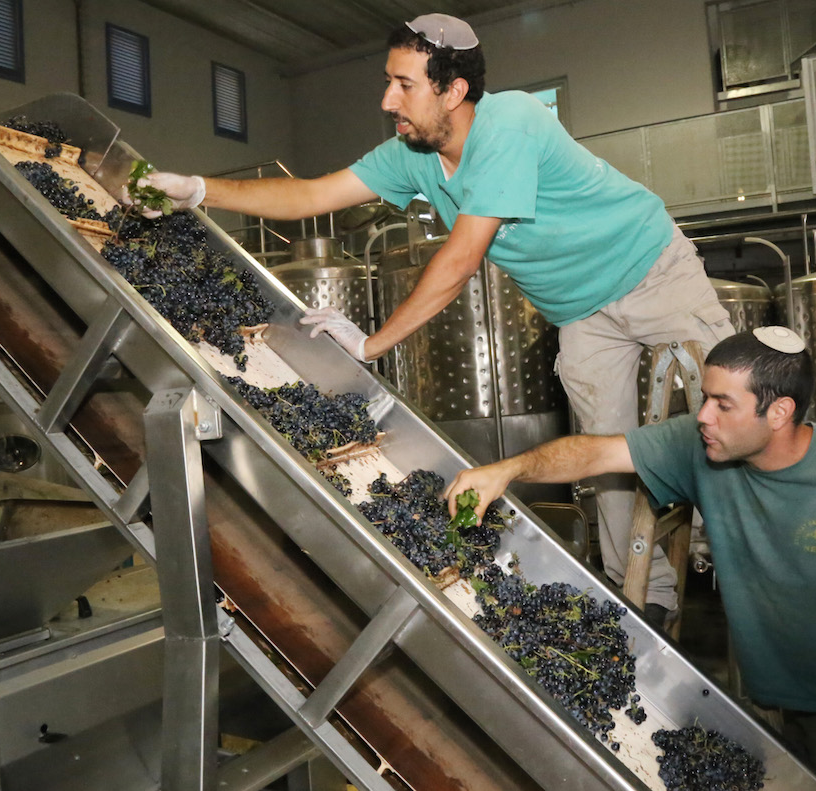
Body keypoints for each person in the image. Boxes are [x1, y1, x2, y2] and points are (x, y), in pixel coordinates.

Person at [133, 12, 733, 619]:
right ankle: (647, 598)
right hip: (579, 312)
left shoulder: (512, 123)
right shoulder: (414, 154)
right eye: (388, 81)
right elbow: (311, 195)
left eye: (405, 84)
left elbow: (461, 259)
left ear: (453, 90)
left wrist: (372, 345)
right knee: (604, 457)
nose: (388, 99)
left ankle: (752, 558)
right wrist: (200, 189)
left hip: (652, 269)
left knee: (738, 415)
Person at [443, 326, 816, 791]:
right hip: (760, 701)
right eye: (704, 400)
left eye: (723, 403)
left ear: (778, 413)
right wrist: (510, 469)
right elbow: (593, 453)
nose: (703, 416)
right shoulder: (702, 447)